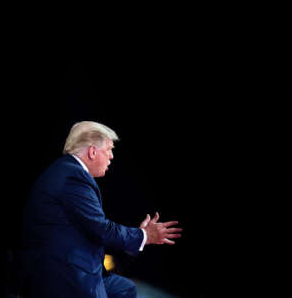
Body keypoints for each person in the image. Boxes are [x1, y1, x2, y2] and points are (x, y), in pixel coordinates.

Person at [20, 121, 182, 298]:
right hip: (62, 276)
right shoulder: (72, 177)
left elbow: (92, 233)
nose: (111, 156)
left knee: (124, 288)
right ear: (92, 151)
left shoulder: (67, 171)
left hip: (72, 268)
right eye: (109, 149)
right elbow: (101, 230)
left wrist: (137, 237)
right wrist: (144, 235)